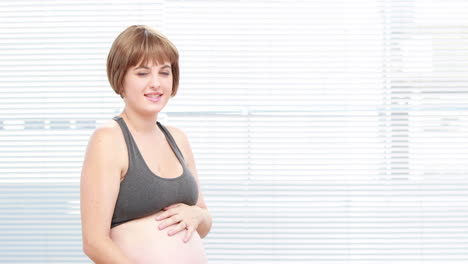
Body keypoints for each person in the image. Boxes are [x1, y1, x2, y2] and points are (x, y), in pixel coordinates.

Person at [80, 25, 212, 264]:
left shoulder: (178, 139)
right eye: (142, 73)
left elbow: (203, 223)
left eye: (164, 72)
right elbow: (94, 242)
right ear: (120, 80)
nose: (156, 84)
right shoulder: (108, 139)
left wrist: (196, 215)